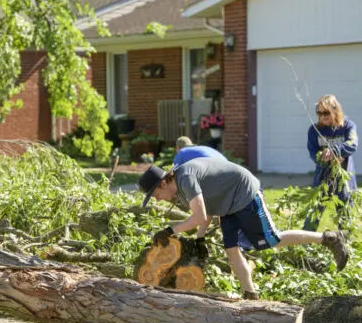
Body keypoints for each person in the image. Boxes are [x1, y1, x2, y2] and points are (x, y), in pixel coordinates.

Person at [138, 158, 349, 300]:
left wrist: (170, 231)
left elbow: (200, 215)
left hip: (245, 194)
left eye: (155, 195)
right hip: (227, 205)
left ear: (163, 184)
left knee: (272, 239)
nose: (157, 200)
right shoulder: (179, 190)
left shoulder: (185, 179)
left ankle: (329, 238)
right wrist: (200, 239)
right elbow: (208, 211)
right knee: (232, 250)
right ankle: (251, 296)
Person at [304, 94, 358, 231]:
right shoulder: (314, 130)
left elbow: (352, 144)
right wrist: (322, 156)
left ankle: (345, 249)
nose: (322, 117)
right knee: (312, 217)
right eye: (319, 113)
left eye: (326, 112)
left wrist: (335, 151)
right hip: (323, 179)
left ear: (335, 110)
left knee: (345, 218)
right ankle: (303, 246)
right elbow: (312, 153)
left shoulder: (347, 126)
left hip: (344, 180)